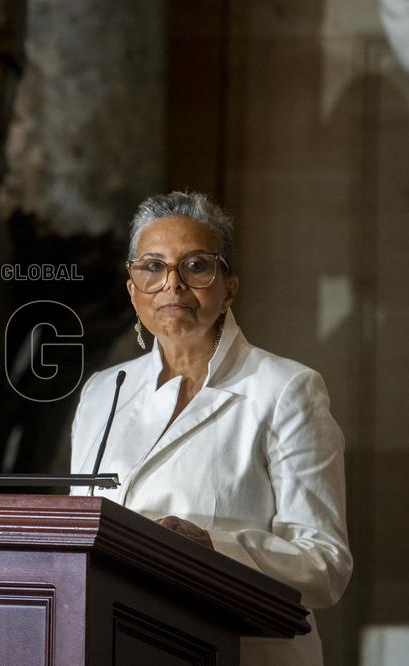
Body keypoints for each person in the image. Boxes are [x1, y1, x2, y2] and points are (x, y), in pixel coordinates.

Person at [70, 192, 352, 666]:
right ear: (131, 288)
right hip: (119, 647)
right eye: (153, 267)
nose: (172, 285)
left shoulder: (287, 389)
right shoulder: (103, 392)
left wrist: (211, 547)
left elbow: (325, 564)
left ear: (229, 287)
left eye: (195, 266)